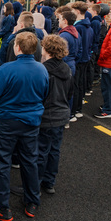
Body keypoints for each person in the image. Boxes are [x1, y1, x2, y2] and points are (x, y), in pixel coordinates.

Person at [0, 32, 49, 221]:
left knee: (1, 162)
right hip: (31, 121)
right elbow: (44, 93)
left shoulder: (6, 69)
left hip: (6, 122)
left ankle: (1, 207)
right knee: (30, 160)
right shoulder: (42, 69)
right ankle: (32, 201)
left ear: (17, 48)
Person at [37, 35, 72, 195]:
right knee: (54, 150)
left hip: (47, 115)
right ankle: (49, 182)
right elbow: (70, 93)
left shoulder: (44, 70)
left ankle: (34, 184)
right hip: (61, 114)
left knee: (41, 151)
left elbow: (40, 95)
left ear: (47, 50)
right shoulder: (67, 69)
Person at [71, 1, 93, 121]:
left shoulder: (78, 27)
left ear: (78, 11)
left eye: (73, 10)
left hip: (79, 60)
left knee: (76, 85)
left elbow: (77, 45)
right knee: (80, 85)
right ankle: (78, 109)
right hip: (85, 58)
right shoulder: (88, 26)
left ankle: (74, 111)